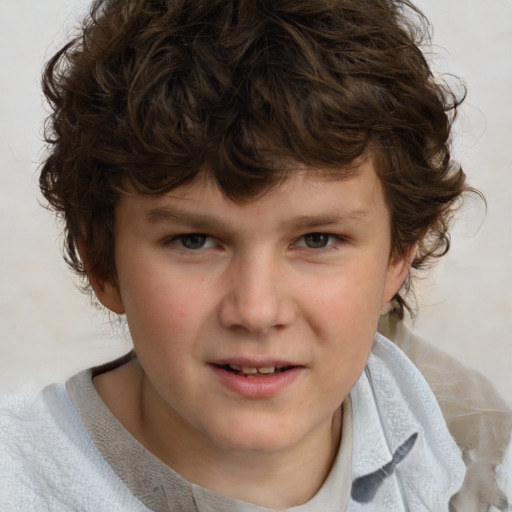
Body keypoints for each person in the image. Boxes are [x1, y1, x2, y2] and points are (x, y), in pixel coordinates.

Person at [1, 0, 510, 510]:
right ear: (102, 264)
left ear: (398, 257)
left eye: (317, 240)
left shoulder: (473, 443)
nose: (257, 311)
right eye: (194, 241)